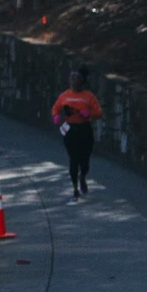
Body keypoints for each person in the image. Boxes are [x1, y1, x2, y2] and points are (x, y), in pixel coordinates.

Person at [51, 66, 103, 198]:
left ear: (82, 81)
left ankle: (83, 177)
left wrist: (89, 113)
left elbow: (99, 112)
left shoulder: (89, 96)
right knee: (73, 159)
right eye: (71, 78)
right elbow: (56, 108)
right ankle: (75, 187)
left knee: (84, 161)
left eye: (76, 78)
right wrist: (56, 116)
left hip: (85, 130)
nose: (72, 80)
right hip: (71, 130)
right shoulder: (64, 95)